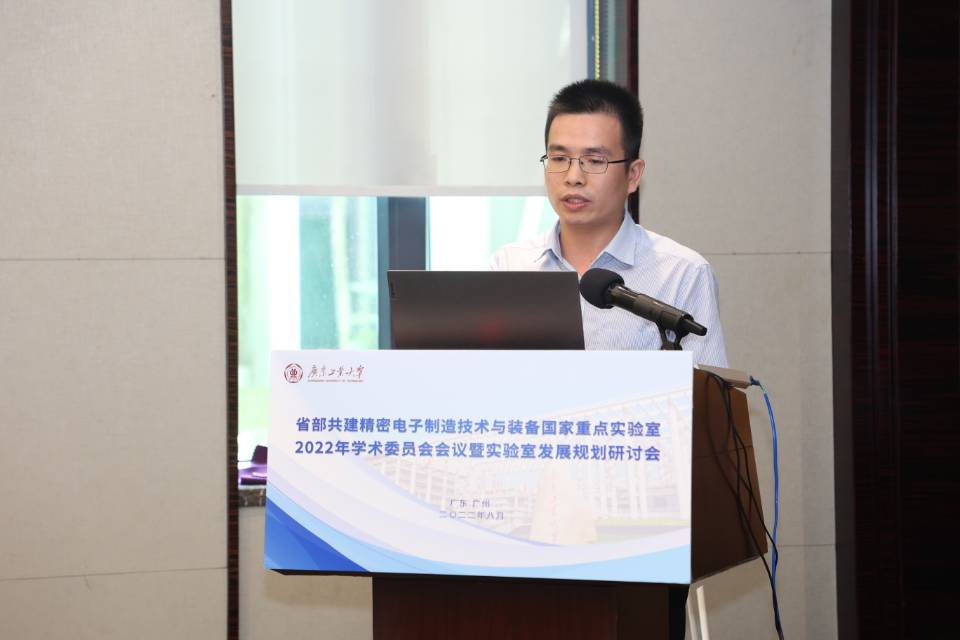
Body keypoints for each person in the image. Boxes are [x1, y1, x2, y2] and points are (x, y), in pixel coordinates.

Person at [490, 79, 728, 367]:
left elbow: (707, 392)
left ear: (633, 175)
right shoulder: (510, 265)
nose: (573, 177)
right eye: (559, 158)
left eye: (594, 161)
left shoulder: (682, 274)